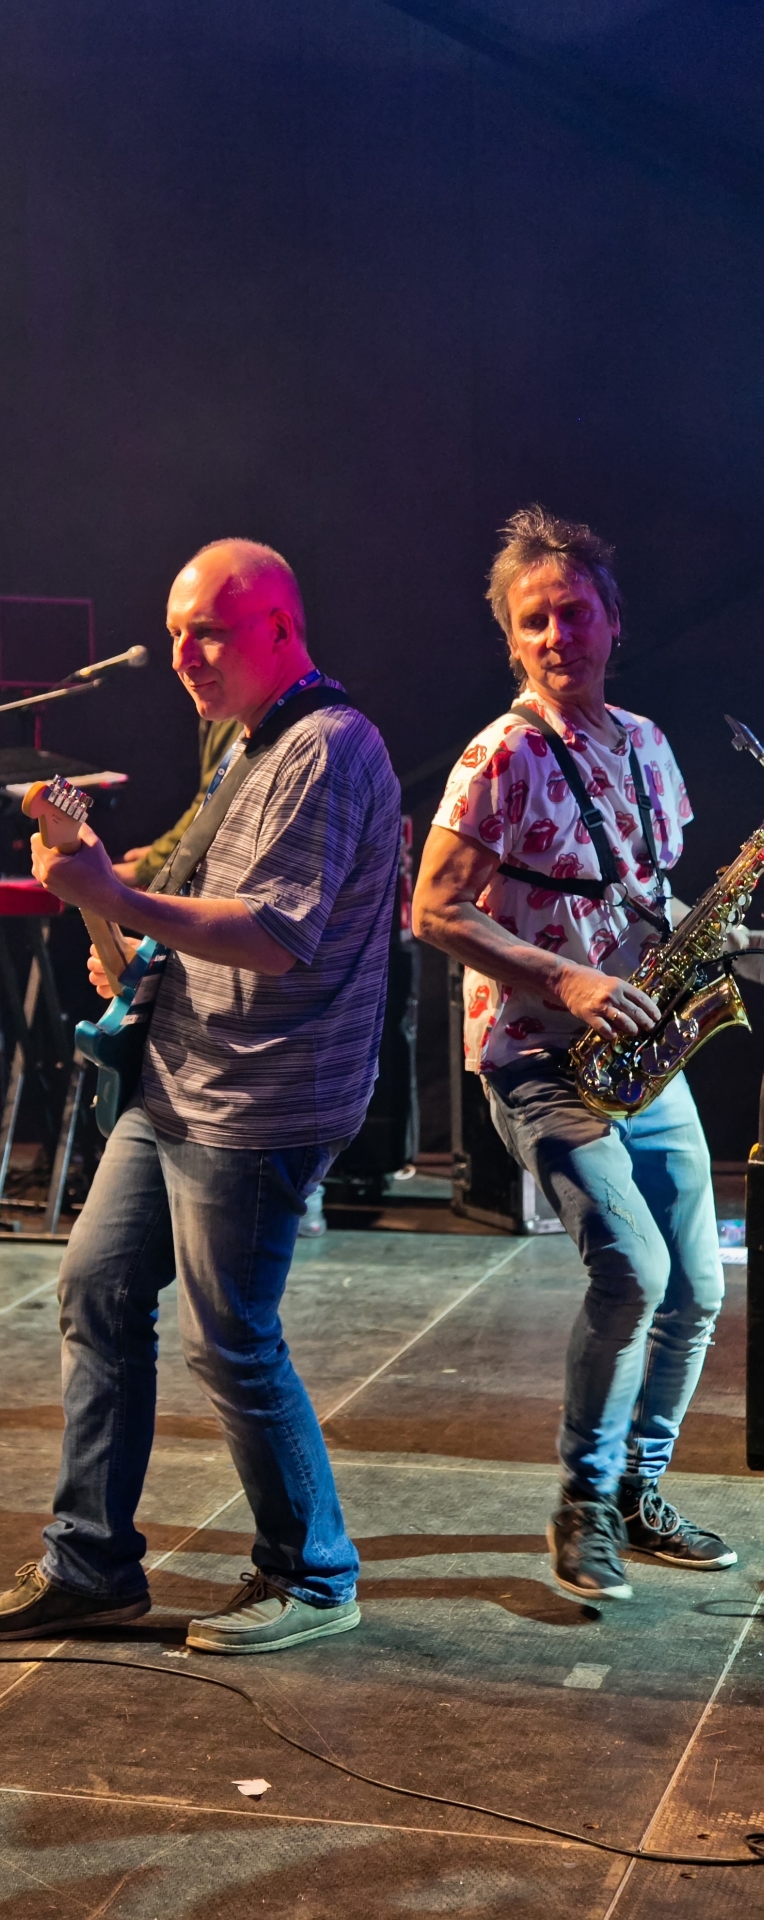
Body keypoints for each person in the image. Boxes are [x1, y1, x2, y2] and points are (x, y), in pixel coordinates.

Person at [0, 538, 401, 1654]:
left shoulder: (328, 748)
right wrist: (112, 910)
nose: (183, 656)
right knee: (97, 1291)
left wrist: (113, 897)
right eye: (173, 635)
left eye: (206, 631)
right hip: (179, 1081)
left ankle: (312, 1575)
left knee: (231, 1339)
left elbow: (274, 936)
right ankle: (91, 1566)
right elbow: (196, 902)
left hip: (259, 1099)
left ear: (279, 628)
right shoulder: (244, 741)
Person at [413, 504, 759, 1603]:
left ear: (612, 622)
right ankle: (584, 1499)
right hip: (536, 1056)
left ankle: (636, 1494)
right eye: (534, 621)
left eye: (572, 613)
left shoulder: (648, 745)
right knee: (634, 1271)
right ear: (511, 641)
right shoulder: (501, 755)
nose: (556, 636)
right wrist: (562, 979)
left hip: (644, 1052)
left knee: (697, 1288)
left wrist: (724, 939)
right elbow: (432, 910)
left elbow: (646, 896)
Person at [113, 715, 242, 888]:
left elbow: (217, 801)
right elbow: (210, 797)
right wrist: (158, 855)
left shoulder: (234, 713)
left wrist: (147, 868)